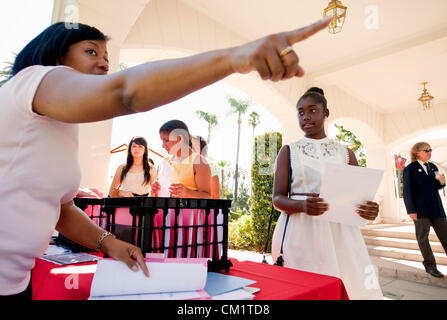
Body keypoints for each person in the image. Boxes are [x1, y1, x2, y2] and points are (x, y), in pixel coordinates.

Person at [0, 16, 331, 297]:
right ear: (56, 57)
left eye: (106, 56)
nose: (104, 63)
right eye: (91, 52)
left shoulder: (61, 125)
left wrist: (110, 242)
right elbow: (125, 93)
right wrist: (234, 58)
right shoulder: (33, 81)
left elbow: (61, 208)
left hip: (17, 282)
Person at [271, 87, 383, 300]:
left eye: (312, 110)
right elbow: (277, 198)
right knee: (304, 289)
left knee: (348, 285)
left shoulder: (346, 154)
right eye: (301, 112)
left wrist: (370, 209)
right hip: (301, 232)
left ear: (326, 113)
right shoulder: (289, 151)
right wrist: (302, 206)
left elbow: (359, 198)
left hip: (341, 235)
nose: (306, 116)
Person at [403, 142, 447, 278]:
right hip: (420, 210)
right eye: (426, 150)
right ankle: (430, 266)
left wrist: (442, 183)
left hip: (437, 209)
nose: (429, 152)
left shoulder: (432, 166)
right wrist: (411, 210)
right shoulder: (410, 169)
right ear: (417, 152)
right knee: (423, 239)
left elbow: (435, 187)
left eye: (430, 149)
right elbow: (407, 190)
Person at [152, 121, 212, 199]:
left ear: (180, 138)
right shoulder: (165, 162)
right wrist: (154, 191)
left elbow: (207, 196)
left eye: (166, 140)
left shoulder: (198, 162)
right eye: (162, 141)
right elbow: (159, 196)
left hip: (188, 211)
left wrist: (187, 192)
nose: (163, 146)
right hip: (166, 210)